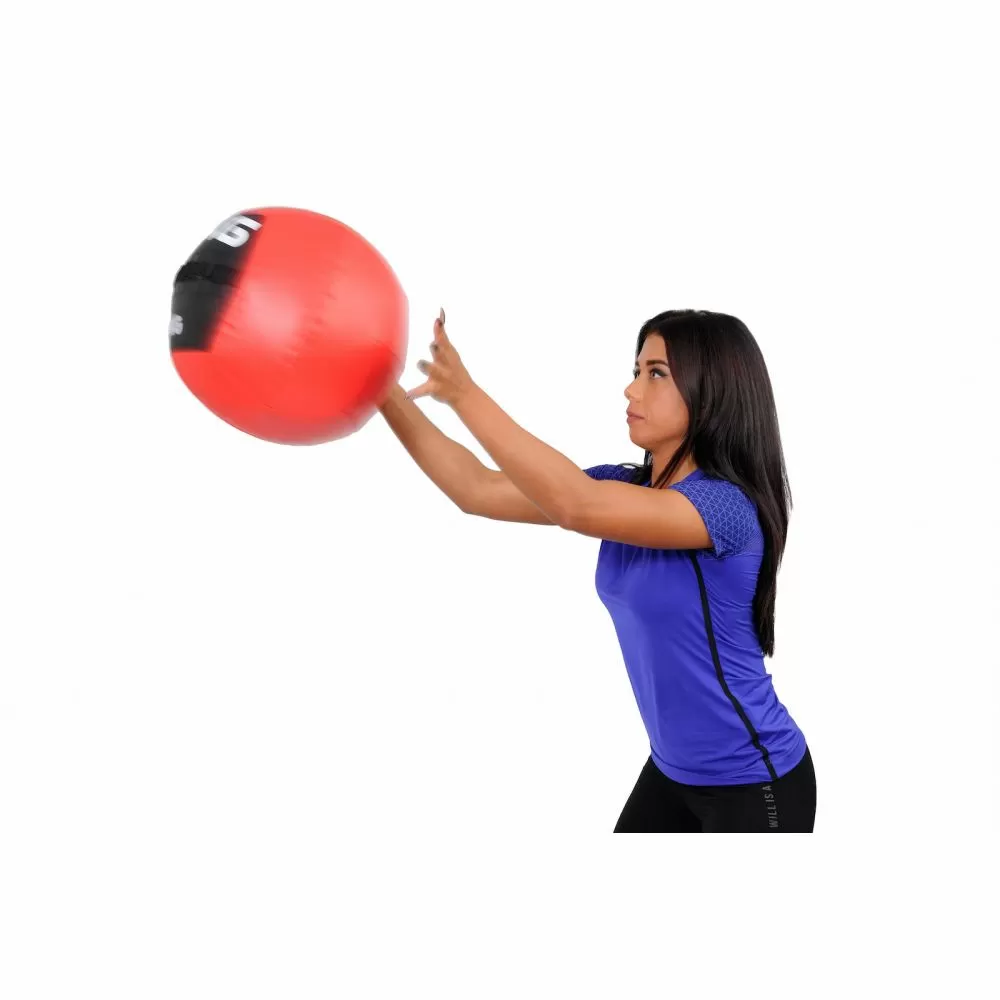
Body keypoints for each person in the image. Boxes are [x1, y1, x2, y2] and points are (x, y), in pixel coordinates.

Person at [378, 308, 815, 833]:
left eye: (656, 373)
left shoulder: (725, 509)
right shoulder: (624, 490)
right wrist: (381, 390)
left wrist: (464, 394)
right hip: (672, 771)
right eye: (636, 371)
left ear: (711, 391)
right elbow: (476, 489)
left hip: (756, 783)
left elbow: (575, 504)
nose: (632, 390)